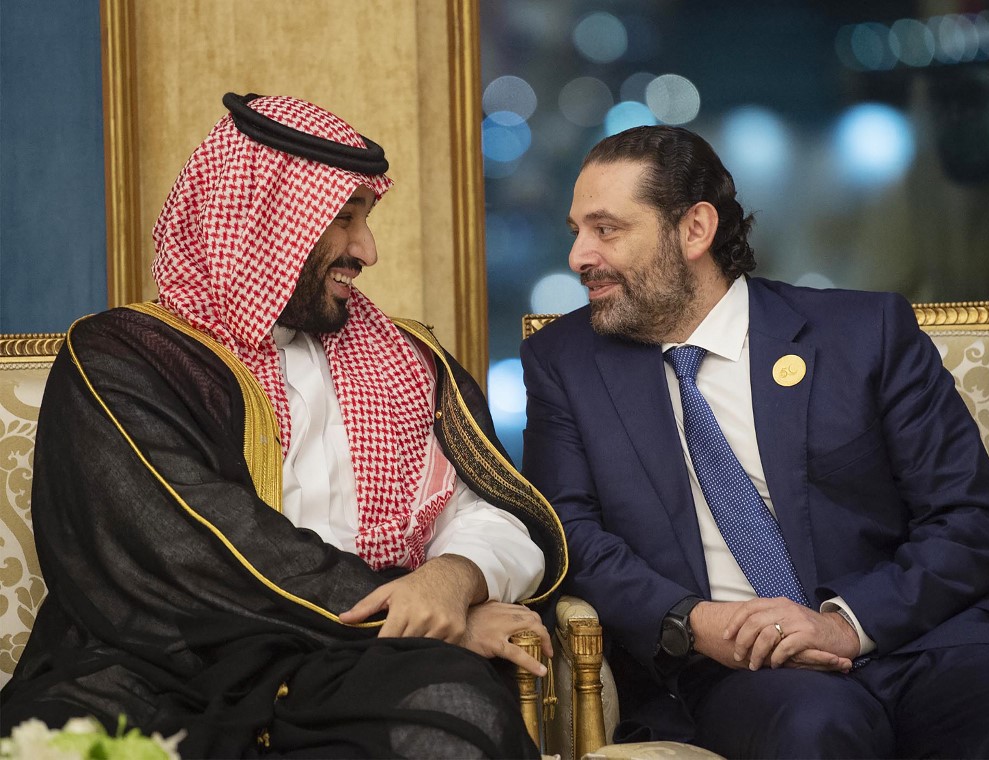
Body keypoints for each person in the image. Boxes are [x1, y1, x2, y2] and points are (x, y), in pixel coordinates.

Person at [1, 92, 567, 759]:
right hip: (155, 660)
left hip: (345, 667)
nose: (368, 251)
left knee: (456, 716)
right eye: (345, 219)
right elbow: (195, 545)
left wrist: (455, 578)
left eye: (367, 218)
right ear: (264, 223)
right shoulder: (118, 356)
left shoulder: (404, 360)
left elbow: (495, 511)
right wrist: (412, 619)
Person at [520, 125, 989, 759]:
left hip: (922, 636)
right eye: (576, 232)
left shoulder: (864, 333)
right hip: (743, 672)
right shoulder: (565, 363)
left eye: (607, 229)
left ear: (695, 230)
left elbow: (968, 520)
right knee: (814, 729)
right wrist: (692, 621)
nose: (579, 257)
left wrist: (846, 625)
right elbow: (568, 533)